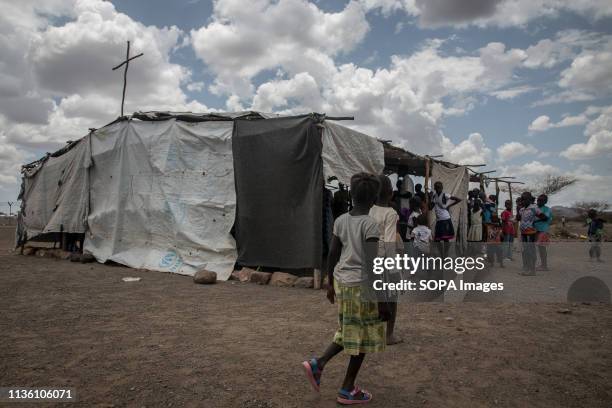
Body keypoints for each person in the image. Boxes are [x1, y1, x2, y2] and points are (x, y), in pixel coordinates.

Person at [302, 173, 388, 405]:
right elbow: (371, 263)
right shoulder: (369, 224)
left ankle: (320, 366)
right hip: (361, 286)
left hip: (343, 282)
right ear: (374, 199)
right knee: (362, 336)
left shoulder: (341, 220)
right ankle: (345, 387)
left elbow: (333, 253)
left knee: (349, 330)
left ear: (351, 194)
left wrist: (330, 283)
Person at [369, 175, 403, 345]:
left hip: (370, 259)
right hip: (384, 261)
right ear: (391, 193)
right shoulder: (391, 213)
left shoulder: (369, 210)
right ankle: (388, 335)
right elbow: (390, 243)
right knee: (392, 298)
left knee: (376, 297)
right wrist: (395, 271)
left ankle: (373, 332)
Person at [429, 181, 461, 258]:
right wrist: (430, 198)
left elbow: (459, 199)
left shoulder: (445, 195)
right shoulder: (434, 196)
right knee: (437, 240)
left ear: (442, 188)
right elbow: (430, 208)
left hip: (445, 219)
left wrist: (448, 205)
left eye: (439, 187)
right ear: (435, 188)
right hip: (439, 220)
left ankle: (445, 255)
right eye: (436, 187)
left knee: (445, 239)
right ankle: (442, 254)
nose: (438, 189)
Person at [517, 192, 538, 275]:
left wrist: (534, 224)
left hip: (531, 233)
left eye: (524, 199)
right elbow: (518, 219)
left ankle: (532, 270)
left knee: (531, 250)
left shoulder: (534, 208)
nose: (522, 201)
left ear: (529, 199)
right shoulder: (522, 209)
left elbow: (543, 217)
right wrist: (518, 209)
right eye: (522, 199)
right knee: (525, 250)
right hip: (523, 233)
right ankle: (526, 268)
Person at [534, 194, 552, 271]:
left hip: (543, 230)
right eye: (538, 200)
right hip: (536, 230)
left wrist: (535, 219)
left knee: (542, 248)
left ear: (545, 202)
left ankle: (544, 266)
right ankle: (542, 265)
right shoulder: (536, 208)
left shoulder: (547, 209)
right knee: (538, 247)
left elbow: (545, 218)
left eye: (541, 200)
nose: (538, 201)